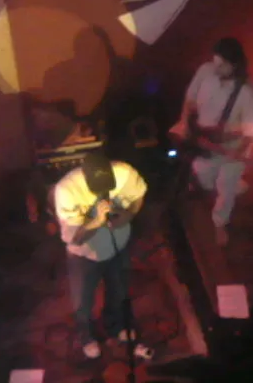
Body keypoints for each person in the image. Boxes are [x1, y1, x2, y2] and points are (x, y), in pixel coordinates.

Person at [54, 151, 150, 359]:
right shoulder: (66, 190)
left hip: (118, 247)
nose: (105, 193)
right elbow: (75, 239)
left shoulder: (125, 173)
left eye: (108, 186)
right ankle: (86, 337)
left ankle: (116, 325)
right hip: (84, 255)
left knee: (118, 291)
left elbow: (138, 195)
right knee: (83, 301)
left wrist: (128, 215)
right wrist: (95, 223)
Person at [176, 37, 253, 246]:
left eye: (222, 65)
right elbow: (190, 99)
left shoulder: (247, 92)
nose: (216, 68)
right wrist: (185, 123)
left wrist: (237, 152)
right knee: (204, 179)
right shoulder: (206, 71)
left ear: (234, 64)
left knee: (225, 183)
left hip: (233, 147)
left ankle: (220, 223)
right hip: (204, 142)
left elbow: (251, 132)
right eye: (215, 61)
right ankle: (237, 185)